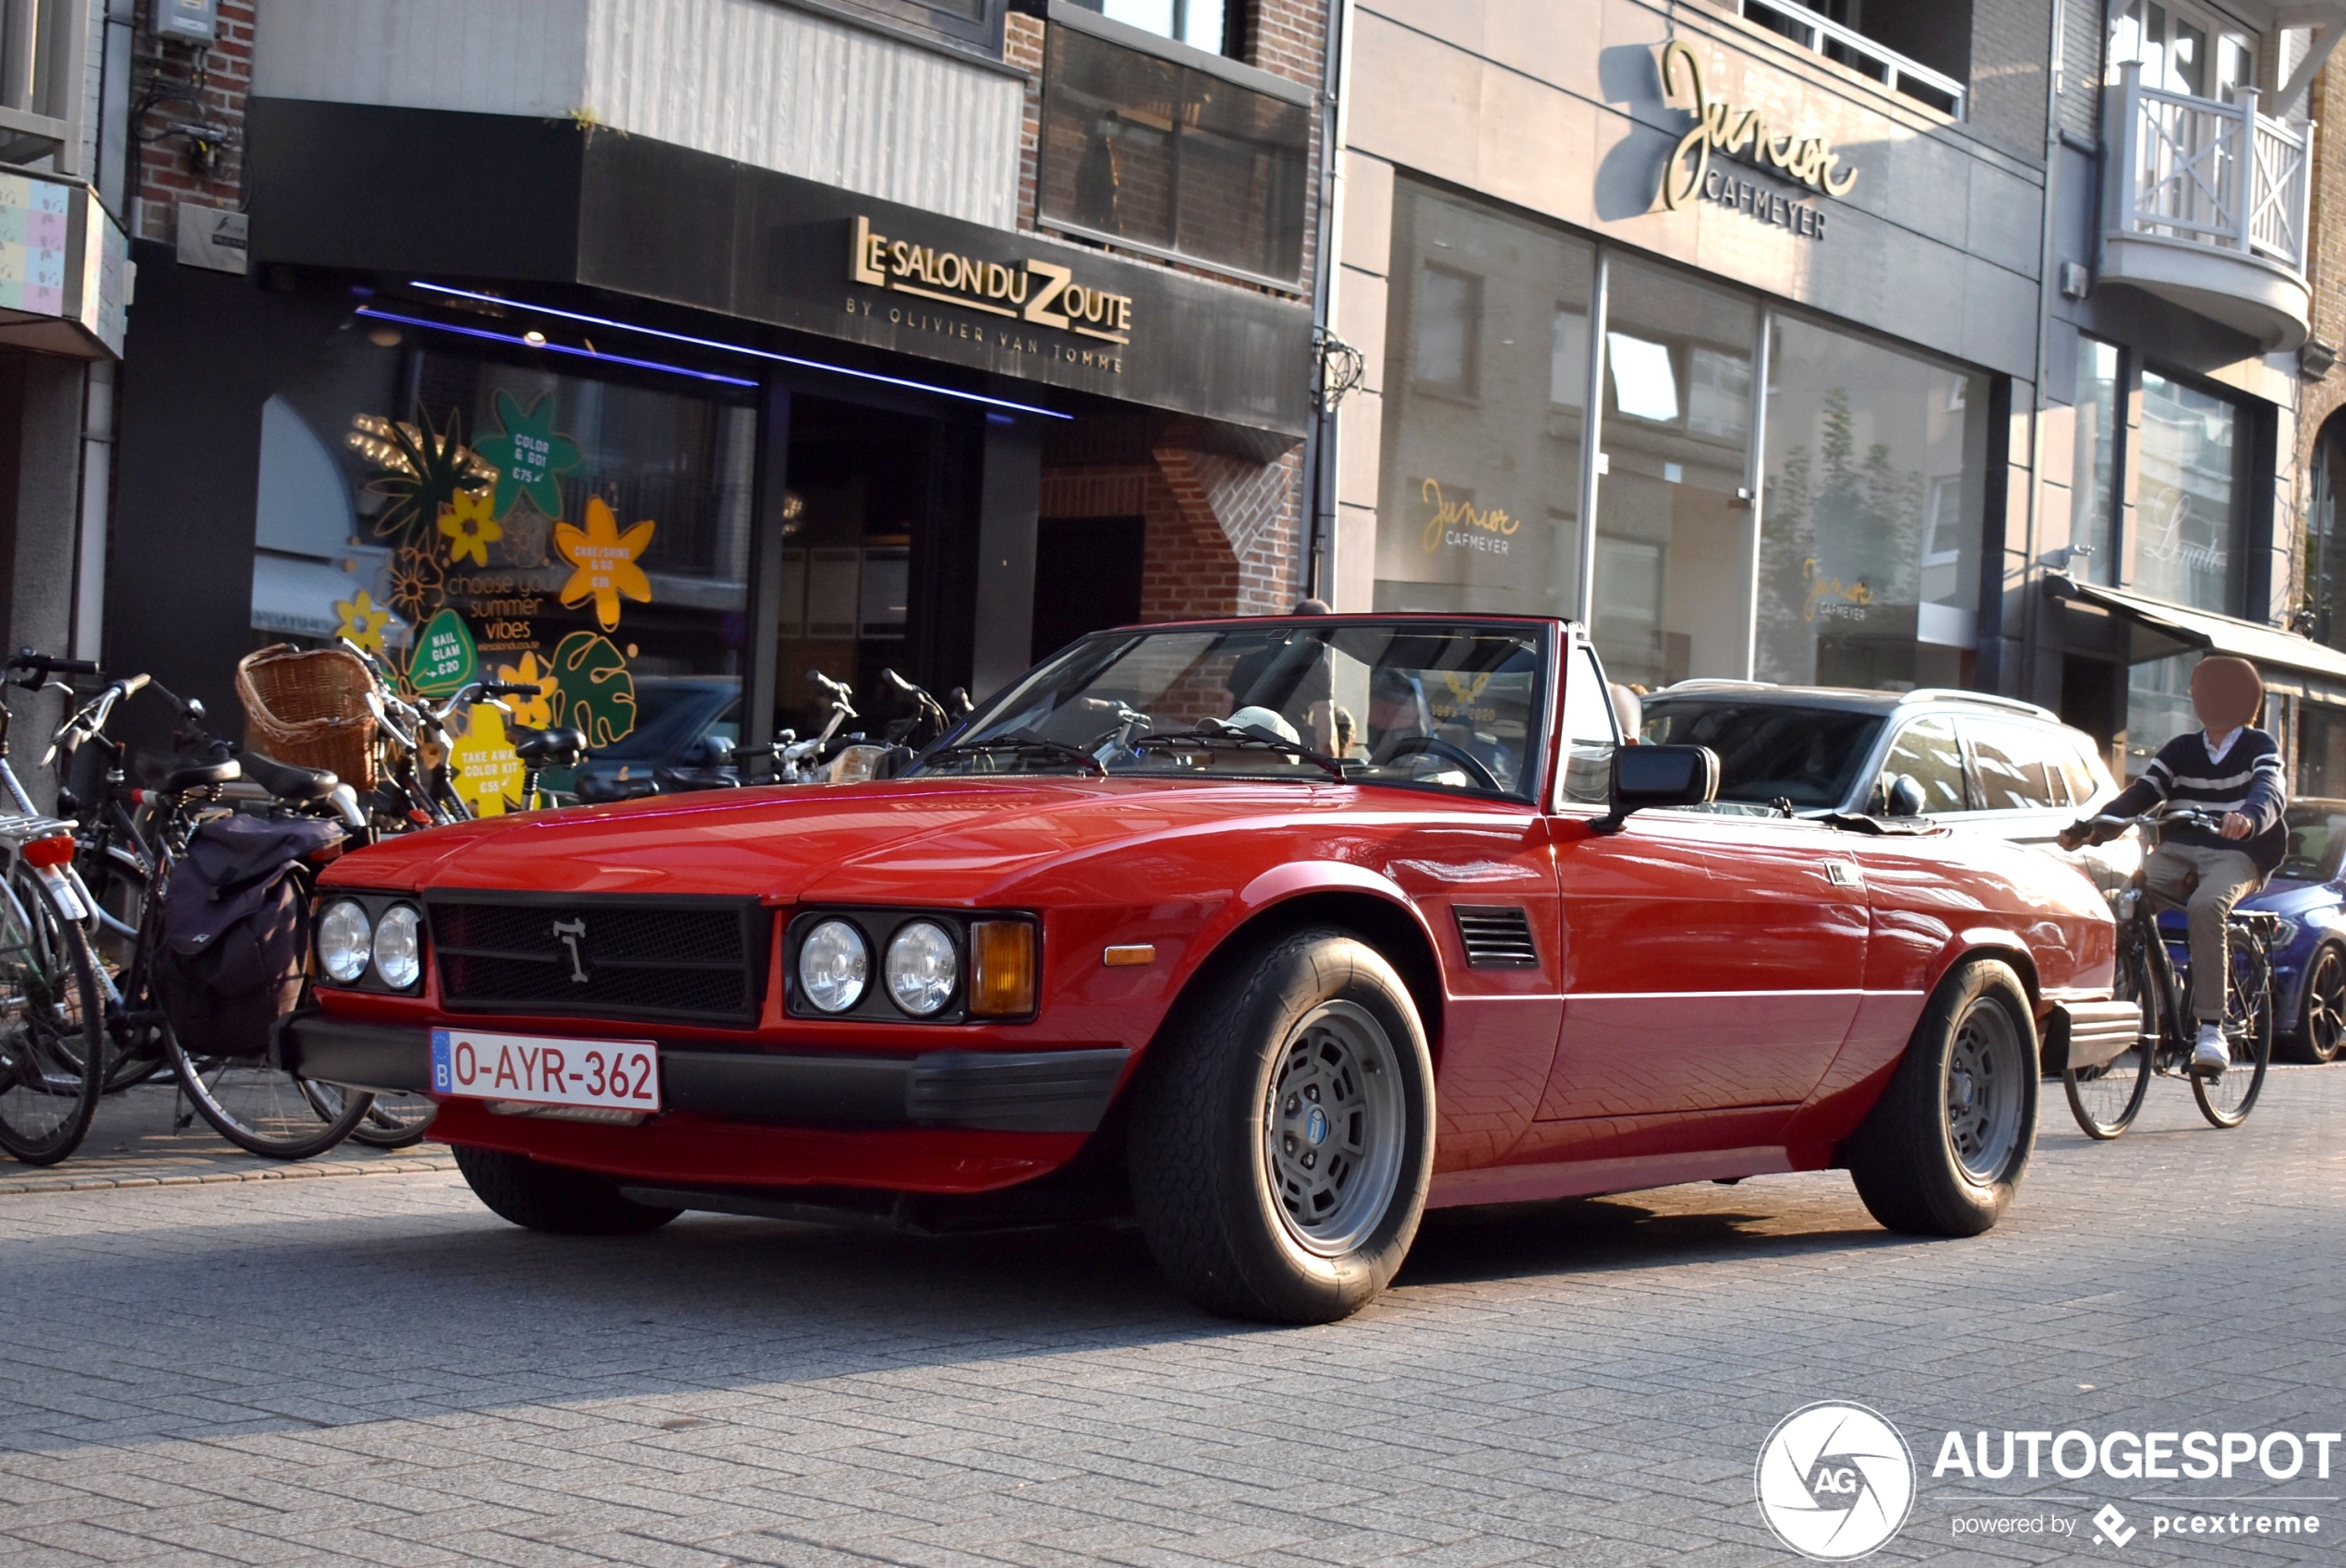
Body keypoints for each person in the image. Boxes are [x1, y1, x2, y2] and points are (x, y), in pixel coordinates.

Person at [2058, 656, 2286, 1078]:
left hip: (2238, 852)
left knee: (2206, 905)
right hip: (2179, 848)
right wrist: (2091, 829)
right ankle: (2147, 998)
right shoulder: (2181, 749)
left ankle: (2211, 1030)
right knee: (2123, 904)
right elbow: (2141, 794)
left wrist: (2249, 818)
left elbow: (2268, 792)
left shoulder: (2260, 747)